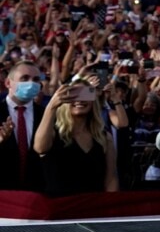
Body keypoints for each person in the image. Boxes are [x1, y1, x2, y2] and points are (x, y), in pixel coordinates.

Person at [33, 81, 118, 195]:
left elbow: (111, 179)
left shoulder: (104, 137)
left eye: (85, 95)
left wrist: (110, 208)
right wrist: (51, 106)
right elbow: (40, 148)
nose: (80, 100)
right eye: (74, 95)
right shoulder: (53, 132)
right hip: (59, 206)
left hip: (92, 207)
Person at [0, 61, 45, 191]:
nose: (31, 83)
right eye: (24, 78)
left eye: (36, 79)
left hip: (36, 192)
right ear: (8, 83)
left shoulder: (46, 115)